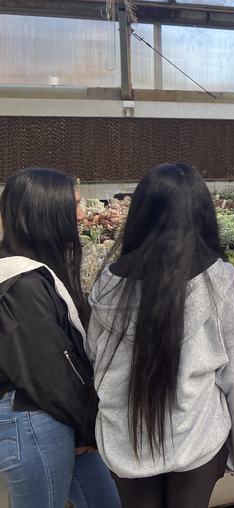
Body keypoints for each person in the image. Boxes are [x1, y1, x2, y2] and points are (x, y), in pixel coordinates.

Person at [87, 163, 234, 508]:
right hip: (198, 438)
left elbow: (94, 356)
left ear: (141, 213)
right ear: (202, 213)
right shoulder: (218, 279)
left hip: (126, 439)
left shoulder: (108, 284)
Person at [0, 168, 120, 508]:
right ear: (46, 211)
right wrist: (86, 426)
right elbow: (49, 369)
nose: (82, 215)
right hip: (33, 421)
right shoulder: (18, 282)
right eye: (74, 205)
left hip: (53, 415)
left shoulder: (29, 271)